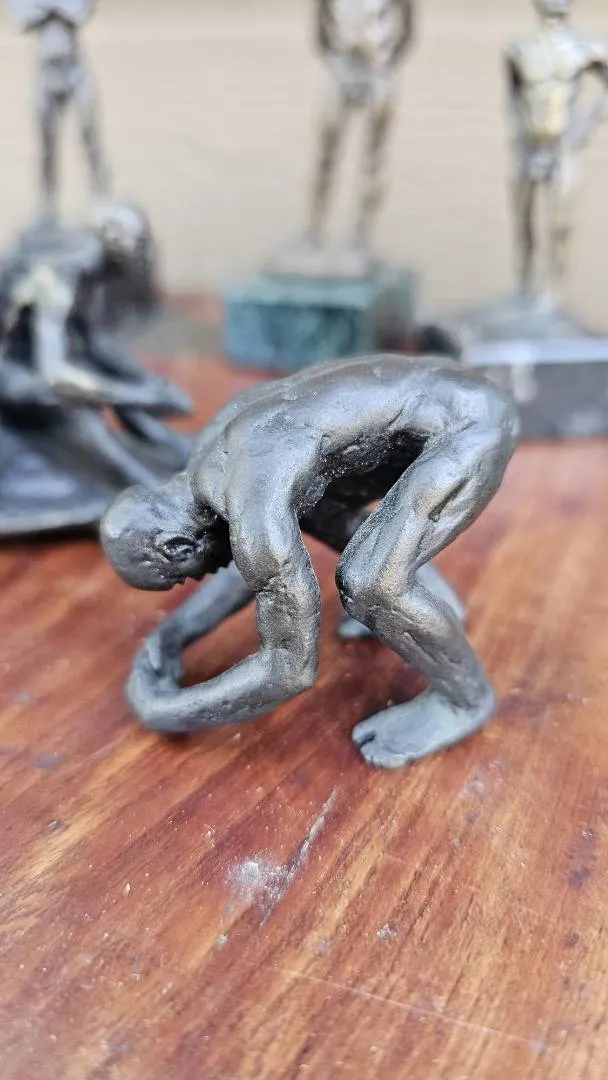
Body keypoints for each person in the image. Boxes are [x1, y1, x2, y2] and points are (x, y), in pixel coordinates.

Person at [102, 353, 519, 770]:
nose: (196, 579)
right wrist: (173, 636)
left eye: (179, 579)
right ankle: (427, 605)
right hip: (438, 400)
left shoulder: (248, 494)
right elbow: (253, 564)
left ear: (177, 547)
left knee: (370, 584)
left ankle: (465, 698)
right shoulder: (209, 463)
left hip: (469, 425)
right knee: (319, 512)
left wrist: (166, 711)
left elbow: (289, 667)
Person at [506, 0, 608, 302]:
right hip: (529, 147)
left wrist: (587, 126)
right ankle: (525, 285)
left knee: (561, 222)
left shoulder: (587, 49)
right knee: (523, 219)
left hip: (563, 148)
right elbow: (512, 96)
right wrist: (517, 129)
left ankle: (552, 292)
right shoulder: (519, 49)